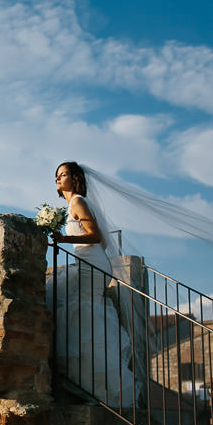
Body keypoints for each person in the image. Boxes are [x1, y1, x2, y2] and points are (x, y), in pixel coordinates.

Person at [49, 161, 136, 407]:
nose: (58, 178)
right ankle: (92, 384)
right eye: (56, 175)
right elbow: (104, 243)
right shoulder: (72, 205)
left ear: (75, 178)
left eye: (63, 174)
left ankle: (102, 389)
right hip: (89, 262)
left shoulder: (78, 201)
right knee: (85, 316)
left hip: (92, 265)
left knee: (87, 316)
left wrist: (65, 238)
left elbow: (96, 236)